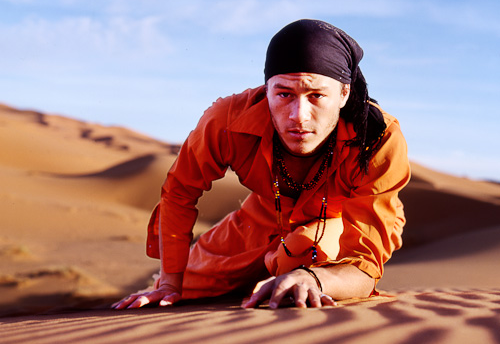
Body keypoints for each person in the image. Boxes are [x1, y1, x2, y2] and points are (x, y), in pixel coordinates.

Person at [113, 19, 410, 310]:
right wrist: (169, 283)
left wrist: (315, 278)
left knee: (301, 254)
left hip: (343, 221)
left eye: (316, 95)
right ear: (266, 88)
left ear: (344, 93)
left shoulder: (378, 138)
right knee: (181, 286)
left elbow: (362, 268)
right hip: (261, 218)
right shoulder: (227, 119)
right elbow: (179, 191)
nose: (298, 115)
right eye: (284, 94)